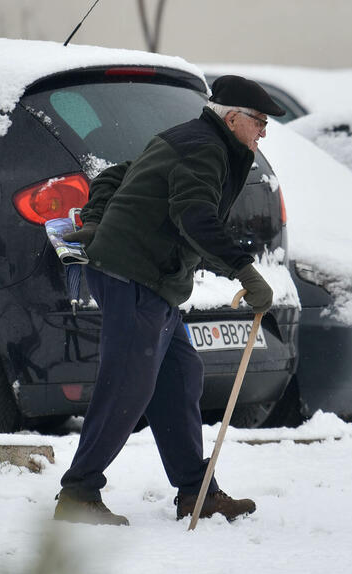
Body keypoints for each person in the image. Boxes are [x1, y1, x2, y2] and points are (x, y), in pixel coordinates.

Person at [52, 75, 285, 526]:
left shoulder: (193, 139)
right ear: (232, 119)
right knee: (127, 386)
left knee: (178, 378)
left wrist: (97, 218)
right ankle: (78, 492)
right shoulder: (205, 149)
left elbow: (114, 176)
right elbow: (194, 216)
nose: (263, 131)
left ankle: (197, 493)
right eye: (258, 121)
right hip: (134, 275)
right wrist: (243, 270)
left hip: (152, 280)